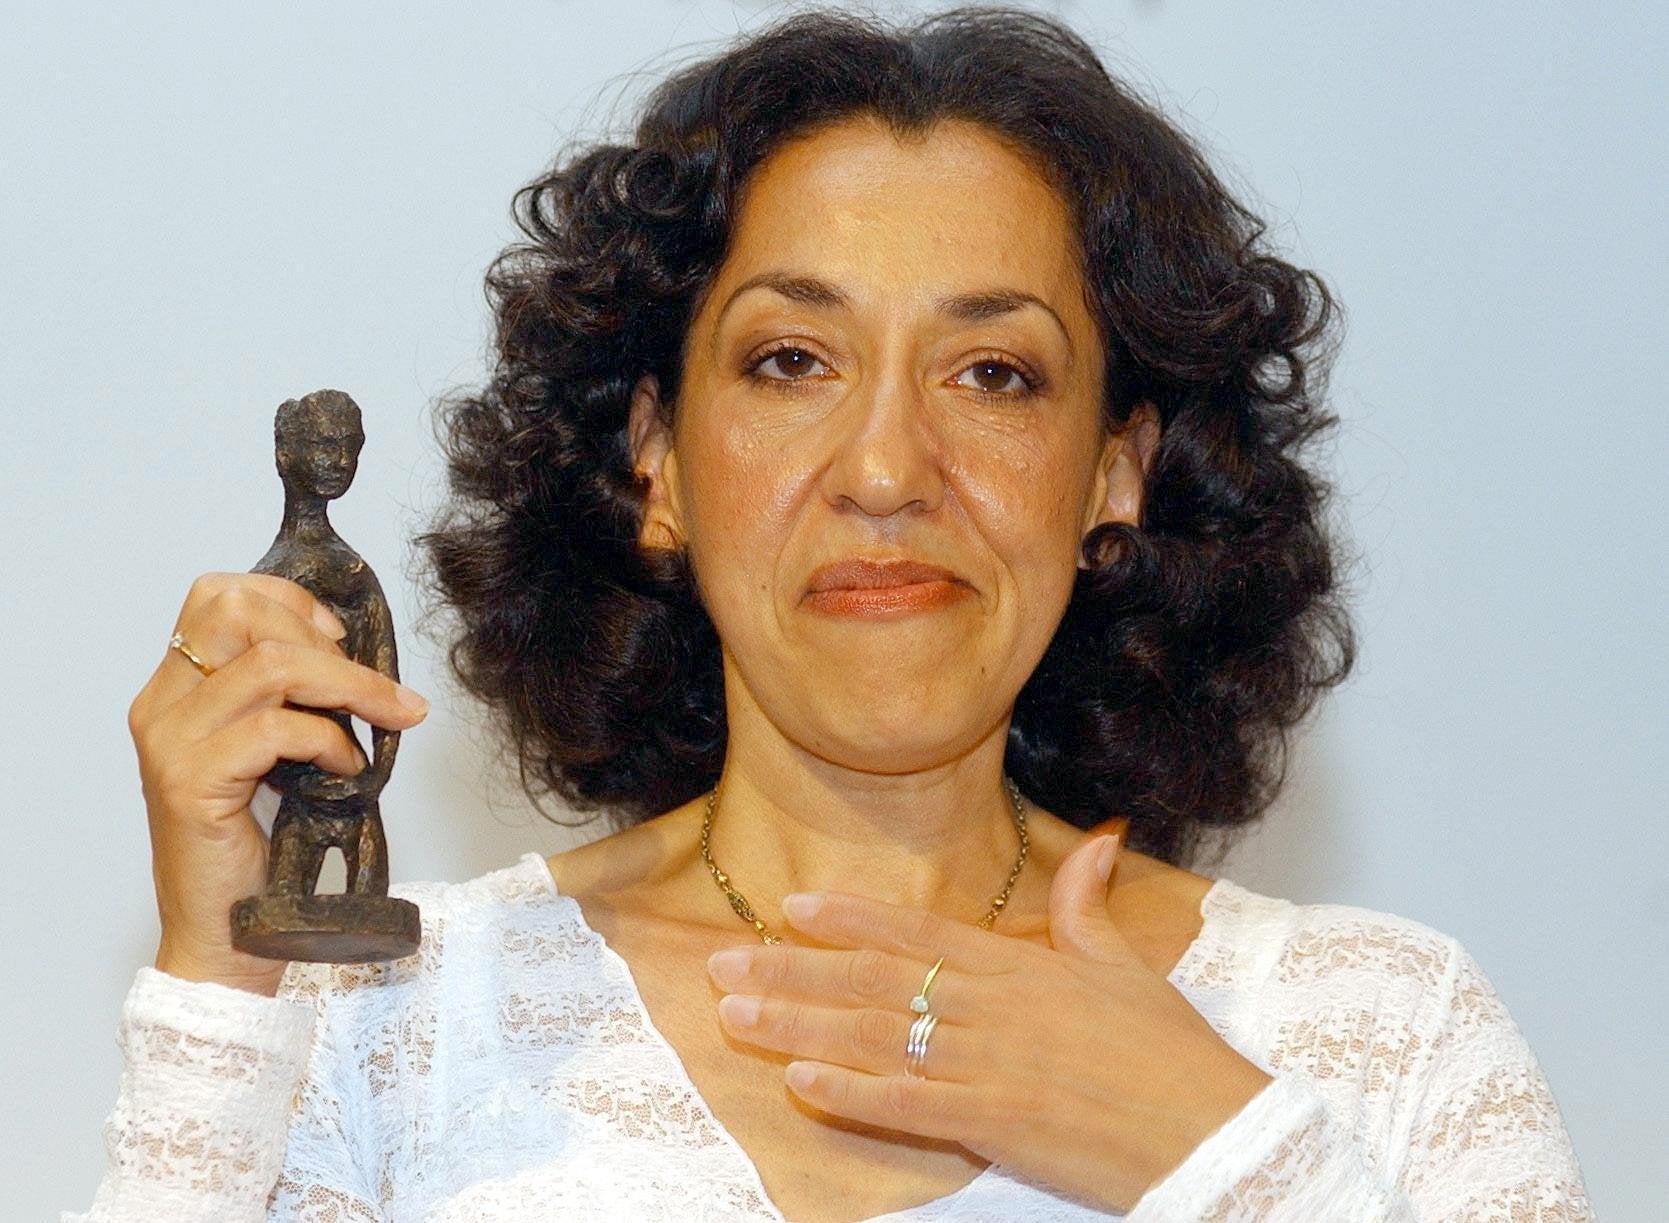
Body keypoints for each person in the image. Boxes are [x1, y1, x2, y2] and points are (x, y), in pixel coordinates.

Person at [68, 7, 1593, 1220]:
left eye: (991, 373)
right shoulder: (383, 1018)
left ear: (1116, 473)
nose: (883, 468)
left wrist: (1214, 1150)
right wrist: (221, 983)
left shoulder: (1378, 1031)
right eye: (791, 361)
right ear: (652, 460)